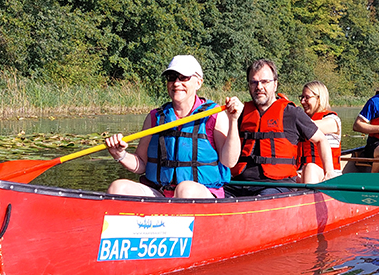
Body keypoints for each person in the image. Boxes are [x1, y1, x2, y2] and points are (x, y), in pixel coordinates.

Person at [104, 55, 243, 198]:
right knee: (118, 187)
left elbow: (229, 161)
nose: (176, 83)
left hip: (201, 195)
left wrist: (233, 120)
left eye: (184, 77)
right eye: (172, 77)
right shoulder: (155, 117)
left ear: (199, 83)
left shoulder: (214, 115)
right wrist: (119, 155)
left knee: (185, 190)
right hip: (161, 193)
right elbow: (142, 164)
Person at [229, 59, 336, 194]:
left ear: (275, 84)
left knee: (263, 199)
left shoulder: (292, 113)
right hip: (239, 183)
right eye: (254, 82)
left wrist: (329, 173)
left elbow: (321, 140)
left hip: (277, 185)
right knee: (213, 196)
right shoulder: (241, 113)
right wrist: (231, 118)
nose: (259, 87)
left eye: (265, 82)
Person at [296, 80, 342, 183]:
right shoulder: (300, 121)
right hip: (301, 173)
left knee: (310, 168)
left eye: (307, 98)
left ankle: (309, 198)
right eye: (302, 97)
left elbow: (310, 126)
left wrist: (292, 112)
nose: (302, 101)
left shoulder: (332, 120)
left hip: (329, 176)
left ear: (319, 98)